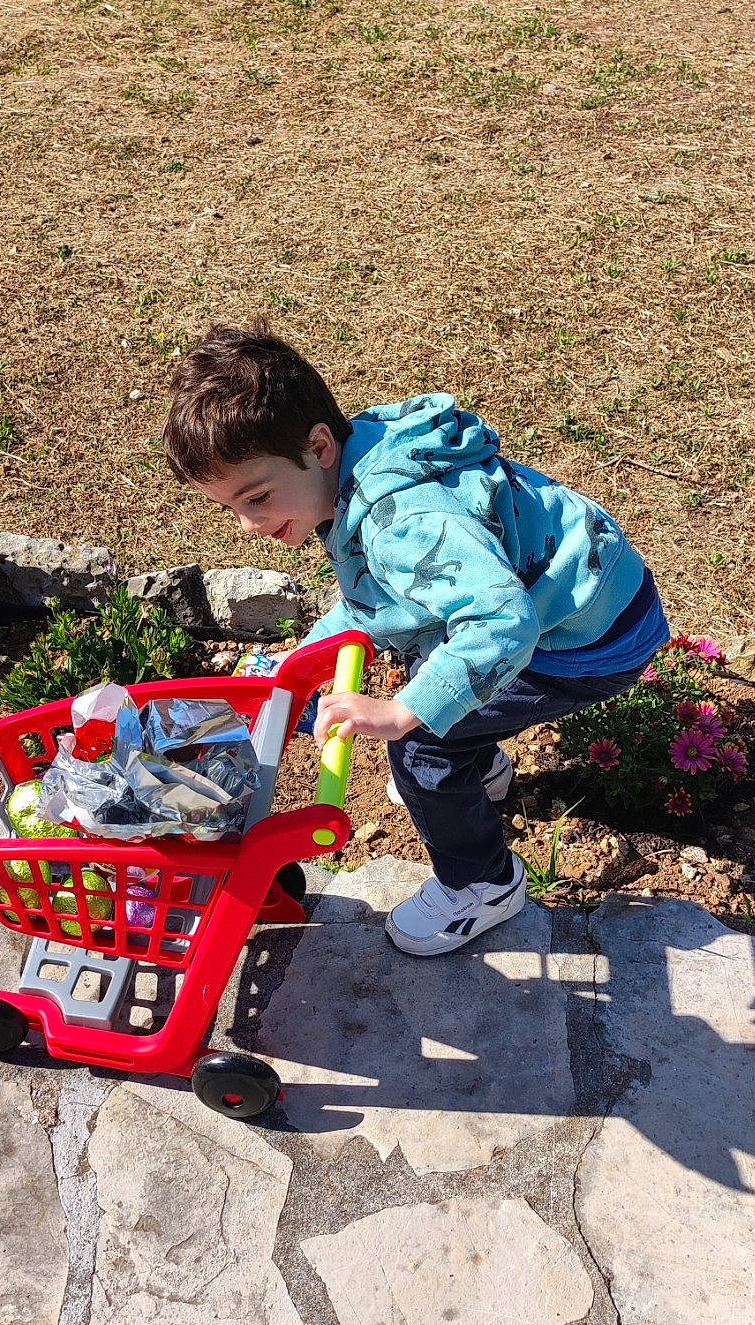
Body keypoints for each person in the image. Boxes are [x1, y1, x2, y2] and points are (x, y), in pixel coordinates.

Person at [162, 323, 668, 956]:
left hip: (586, 643)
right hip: (584, 592)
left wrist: (406, 711)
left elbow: (501, 623)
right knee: (442, 707)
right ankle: (477, 764)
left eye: (258, 498)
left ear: (319, 445)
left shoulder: (402, 521)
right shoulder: (360, 459)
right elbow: (382, 596)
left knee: (423, 745)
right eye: (230, 507)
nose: (247, 524)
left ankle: (482, 881)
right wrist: (303, 664)